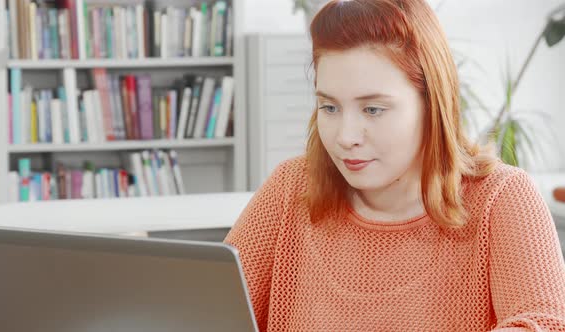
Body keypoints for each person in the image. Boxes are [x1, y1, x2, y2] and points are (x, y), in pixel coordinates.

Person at [224, 0, 565, 330]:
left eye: (373, 109)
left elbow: (544, 322)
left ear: (432, 103)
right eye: (329, 108)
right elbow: (210, 306)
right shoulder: (291, 186)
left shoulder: (501, 198)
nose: (346, 136)